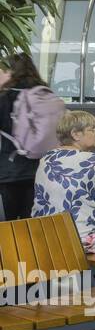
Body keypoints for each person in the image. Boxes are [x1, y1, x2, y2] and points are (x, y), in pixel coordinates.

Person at [32, 110, 95, 253]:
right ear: (75, 134)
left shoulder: (46, 159)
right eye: (93, 129)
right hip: (80, 237)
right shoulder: (93, 161)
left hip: (46, 235)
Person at [0, 52, 49, 220]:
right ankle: (32, 247)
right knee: (33, 220)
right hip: (40, 166)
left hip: (10, 167)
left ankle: (12, 247)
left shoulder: (5, 96)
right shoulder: (44, 93)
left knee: (11, 222)